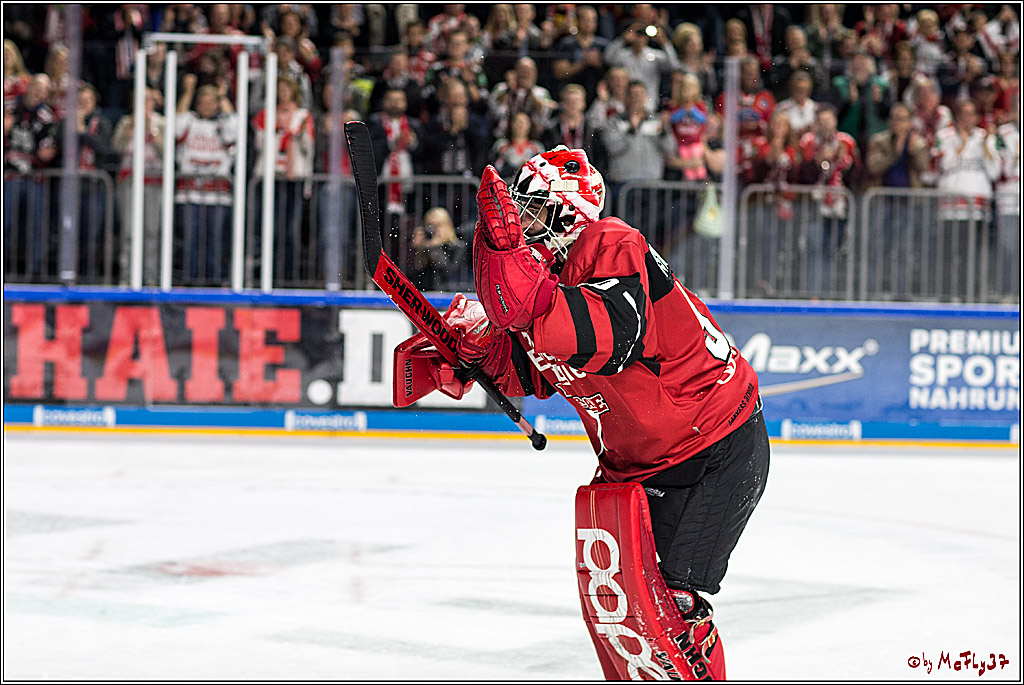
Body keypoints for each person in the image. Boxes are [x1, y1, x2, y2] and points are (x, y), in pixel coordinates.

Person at [395, 147, 769, 681]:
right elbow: (539, 369)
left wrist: (520, 297)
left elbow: (608, 337)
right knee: (630, 622)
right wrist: (474, 356)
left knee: (671, 612)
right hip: (639, 462)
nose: (521, 223)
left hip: (712, 448)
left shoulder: (610, 241)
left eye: (535, 209)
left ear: (569, 213)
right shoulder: (547, 285)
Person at [174, 75, 237, 285]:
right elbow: (175, 127)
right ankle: (189, 280)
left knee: (215, 241)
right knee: (190, 241)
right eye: (203, 102)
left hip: (217, 194)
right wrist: (188, 91)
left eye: (212, 102)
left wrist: (224, 97)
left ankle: (215, 282)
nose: (208, 106)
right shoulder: (190, 120)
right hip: (189, 192)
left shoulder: (223, 122)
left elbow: (233, 132)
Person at [409, 206, 466, 291]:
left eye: (438, 225)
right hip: (422, 291)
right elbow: (412, 271)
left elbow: (448, 272)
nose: (433, 229)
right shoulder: (424, 245)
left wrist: (435, 246)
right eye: (430, 225)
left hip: (447, 293)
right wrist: (416, 249)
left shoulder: (457, 246)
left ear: (447, 226)